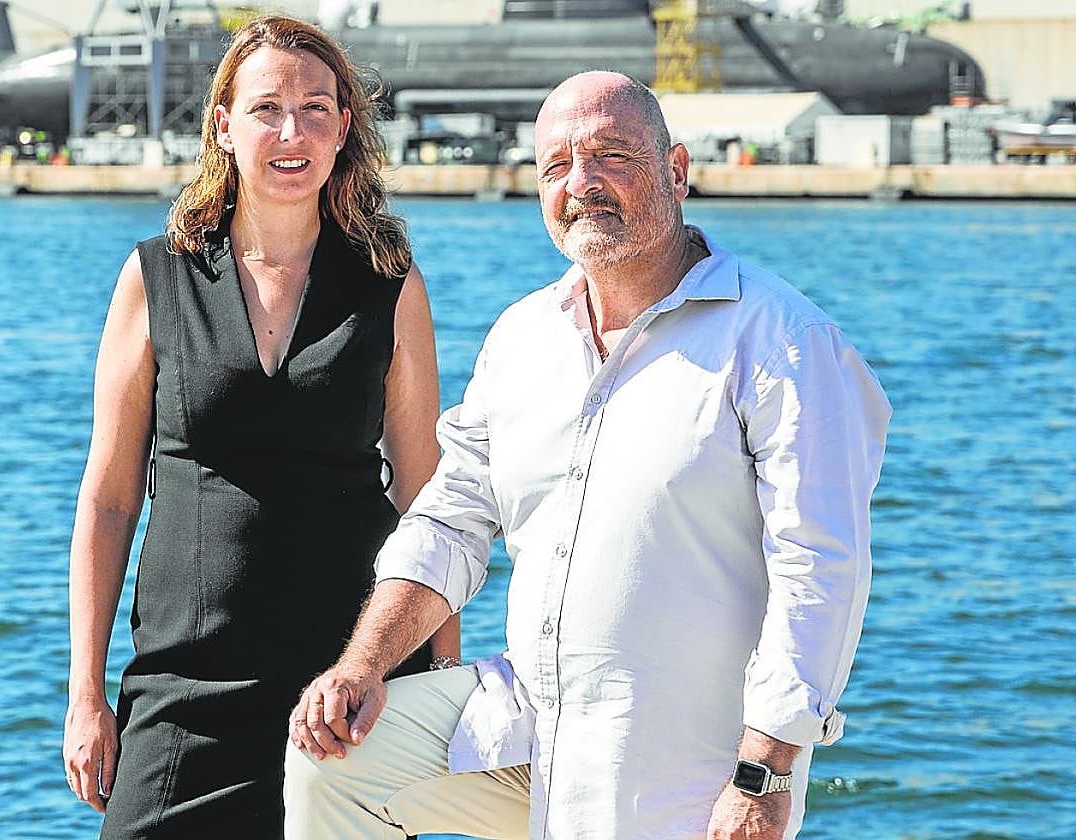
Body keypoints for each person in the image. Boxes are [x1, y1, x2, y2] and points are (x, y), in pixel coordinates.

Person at [284, 71, 892, 839]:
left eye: (611, 156)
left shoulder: (781, 342)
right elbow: (451, 521)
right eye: (557, 165)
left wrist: (766, 771)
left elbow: (822, 565)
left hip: (679, 767)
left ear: (676, 170)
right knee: (336, 759)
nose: (582, 183)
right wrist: (361, 667)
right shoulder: (523, 336)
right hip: (526, 729)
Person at [61, 15, 460, 837]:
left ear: (345, 129)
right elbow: (107, 500)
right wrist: (86, 694)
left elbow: (428, 497)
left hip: (347, 695)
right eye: (267, 108)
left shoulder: (389, 284)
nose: (292, 132)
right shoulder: (155, 278)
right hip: (184, 689)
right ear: (224, 124)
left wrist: (442, 679)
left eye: (316, 109)